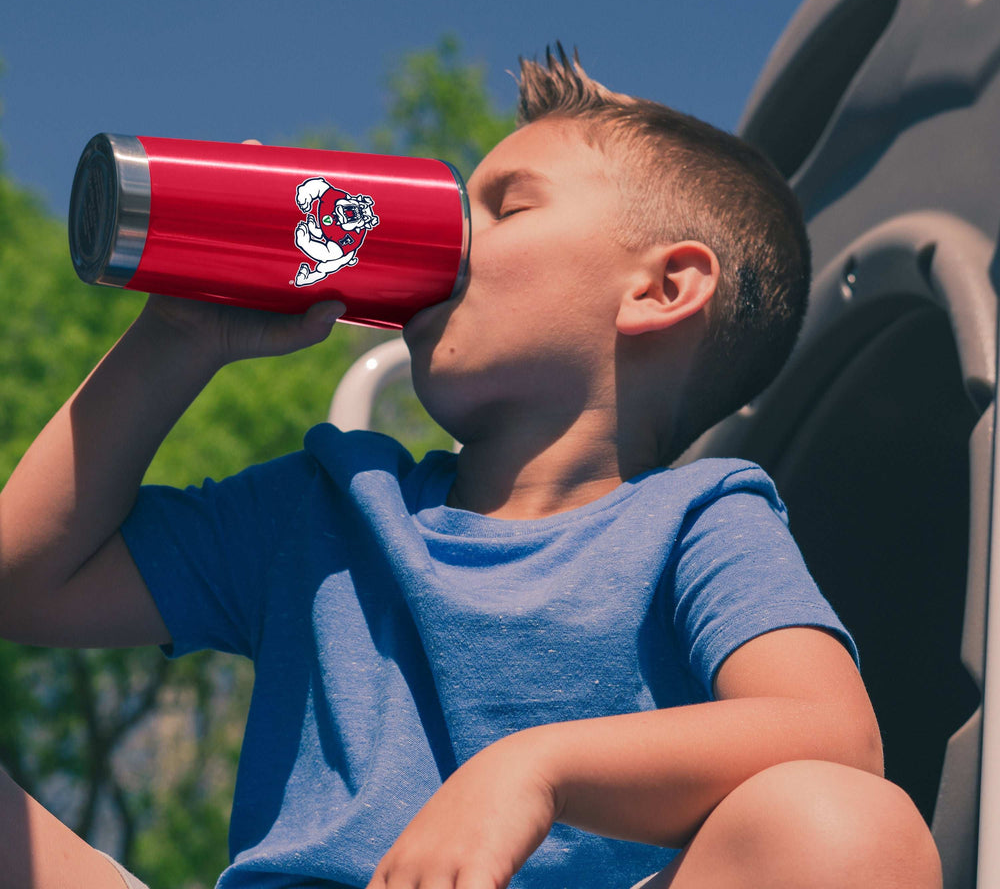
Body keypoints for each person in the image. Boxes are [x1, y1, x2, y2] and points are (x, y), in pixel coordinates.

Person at [0, 47, 942, 889]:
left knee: (845, 826)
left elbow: (835, 737)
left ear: (661, 290)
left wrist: (536, 770)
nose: (452, 239)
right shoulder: (328, 508)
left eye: (506, 205)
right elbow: (27, 585)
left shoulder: (701, 520)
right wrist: (175, 338)